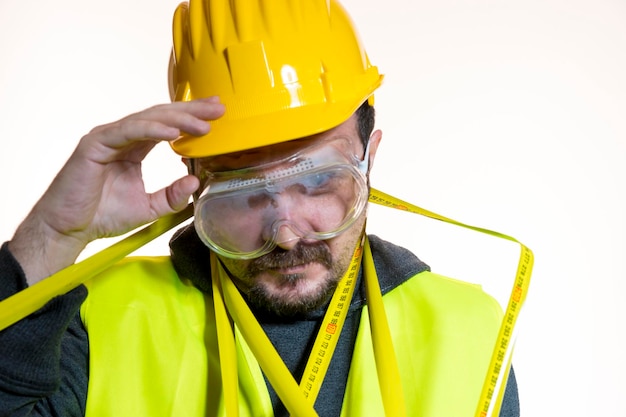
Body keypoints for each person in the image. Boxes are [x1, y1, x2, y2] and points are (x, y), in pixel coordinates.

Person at [0, 0, 521, 416]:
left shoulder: (468, 332)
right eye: (243, 190)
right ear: (195, 185)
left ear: (369, 160)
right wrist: (49, 237)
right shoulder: (97, 318)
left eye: (318, 182)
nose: (287, 233)